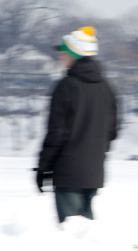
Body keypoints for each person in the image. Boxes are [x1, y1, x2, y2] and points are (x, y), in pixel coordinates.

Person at [36, 26, 118, 223]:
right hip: (94, 173)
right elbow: (111, 132)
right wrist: (96, 156)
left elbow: (56, 133)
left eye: (63, 52)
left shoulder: (66, 86)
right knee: (85, 232)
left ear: (74, 53)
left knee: (72, 235)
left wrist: (44, 167)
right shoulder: (107, 88)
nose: (61, 56)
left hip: (68, 173)